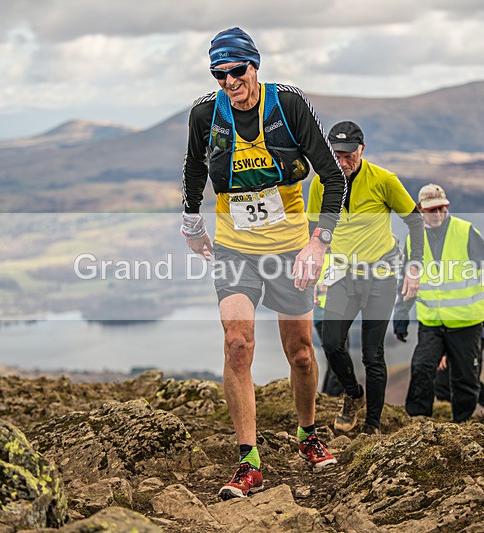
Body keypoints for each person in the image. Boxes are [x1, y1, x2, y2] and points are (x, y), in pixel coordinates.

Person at [181, 27, 346, 499]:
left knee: (300, 353)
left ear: (255, 66)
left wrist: (318, 243)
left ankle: (308, 435)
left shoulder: (289, 105)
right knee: (237, 344)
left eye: (237, 71)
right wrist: (191, 222)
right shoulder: (204, 115)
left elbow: (332, 177)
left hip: (290, 248)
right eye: (220, 74)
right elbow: (195, 168)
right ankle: (248, 461)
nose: (229, 81)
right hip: (235, 249)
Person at [307, 121, 424, 434]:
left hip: (379, 278)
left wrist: (414, 265)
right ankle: (353, 394)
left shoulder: (384, 180)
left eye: (349, 155)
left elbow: (415, 221)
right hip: (342, 277)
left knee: (373, 354)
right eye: (336, 155)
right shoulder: (321, 182)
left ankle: (372, 424)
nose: (343, 162)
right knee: (331, 342)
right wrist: (315, 270)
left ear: (362, 149)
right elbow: (314, 229)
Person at [393, 184, 484, 423]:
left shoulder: (465, 232)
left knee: (465, 379)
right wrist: (401, 316)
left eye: (441, 208)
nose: (437, 213)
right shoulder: (413, 240)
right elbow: (407, 282)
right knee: (421, 369)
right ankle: (417, 423)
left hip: (466, 322)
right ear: (420, 210)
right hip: (431, 322)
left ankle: (461, 424)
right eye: (431, 209)